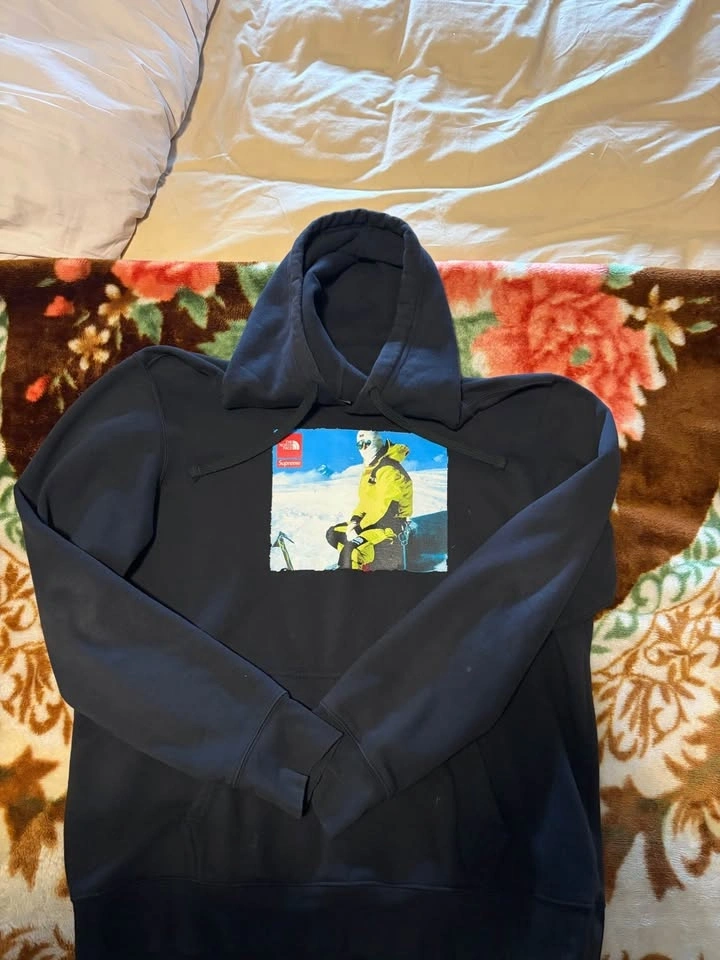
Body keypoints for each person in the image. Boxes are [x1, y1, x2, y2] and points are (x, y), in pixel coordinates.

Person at [326, 430, 413, 570]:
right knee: (333, 534)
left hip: (388, 529)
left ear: (377, 442)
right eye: (359, 444)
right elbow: (365, 502)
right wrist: (355, 520)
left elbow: (386, 509)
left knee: (351, 550)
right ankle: (354, 562)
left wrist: (359, 528)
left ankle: (352, 564)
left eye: (367, 443)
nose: (363, 448)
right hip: (372, 524)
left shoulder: (390, 470)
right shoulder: (371, 469)